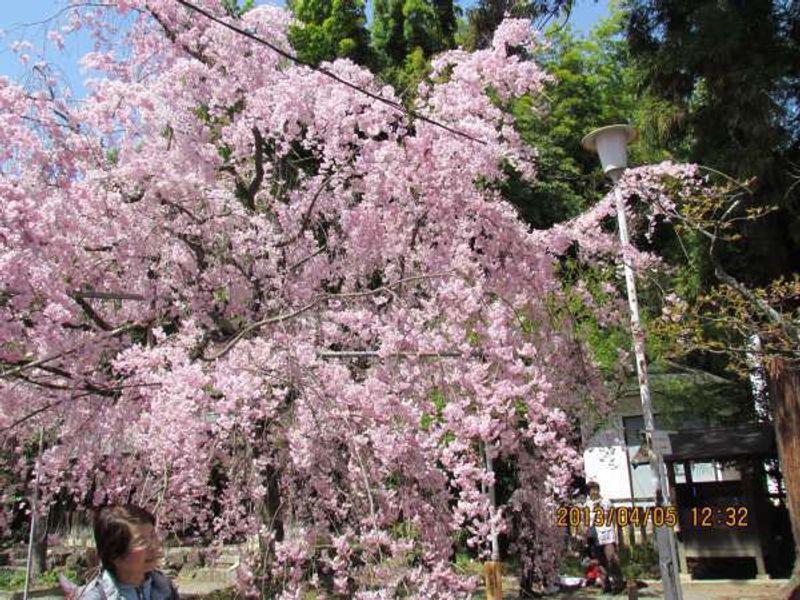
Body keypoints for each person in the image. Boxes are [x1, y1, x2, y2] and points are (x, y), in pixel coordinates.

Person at [61, 505, 178, 600]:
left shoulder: (164, 588)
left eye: (153, 535)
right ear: (114, 554)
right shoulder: (96, 596)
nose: (153, 546)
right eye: (141, 541)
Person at [584, 482, 624, 594]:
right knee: (601, 562)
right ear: (589, 492)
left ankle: (618, 583)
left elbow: (614, 518)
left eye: (596, 489)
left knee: (612, 558)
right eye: (592, 490)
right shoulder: (587, 505)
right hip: (596, 537)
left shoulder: (606, 502)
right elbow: (586, 522)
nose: (595, 491)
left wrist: (616, 533)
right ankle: (605, 585)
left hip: (608, 535)